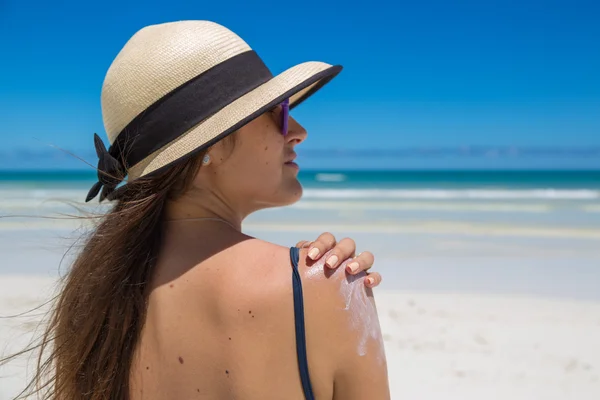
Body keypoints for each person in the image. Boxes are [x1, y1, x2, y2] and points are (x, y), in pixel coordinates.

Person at [3, 20, 390, 399]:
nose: (298, 130)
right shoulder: (324, 288)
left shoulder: (97, 301)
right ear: (212, 145)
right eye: (279, 110)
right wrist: (326, 281)